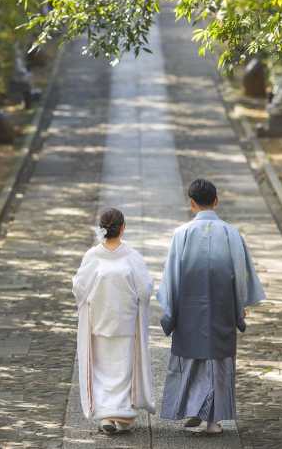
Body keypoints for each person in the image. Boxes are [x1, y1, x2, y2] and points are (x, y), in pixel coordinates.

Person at [157, 179, 266, 434]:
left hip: (189, 307)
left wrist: (170, 308)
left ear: (191, 203)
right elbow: (241, 274)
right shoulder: (231, 233)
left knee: (192, 360)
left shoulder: (181, 234)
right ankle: (213, 422)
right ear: (216, 201)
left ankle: (193, 410)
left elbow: (172, 275)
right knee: (219, 362)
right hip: (223, 306)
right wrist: (240, 306)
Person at [72, 208, 156, 433]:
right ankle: (122, 414)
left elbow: (79, 288)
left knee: (100, 369)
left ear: (102, 228)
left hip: (99, 320)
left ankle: (105, 415)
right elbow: (145, 289)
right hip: (125, 320)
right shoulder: (131, 256)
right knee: (124, 369)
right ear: (123, 228)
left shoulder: (93, 256)